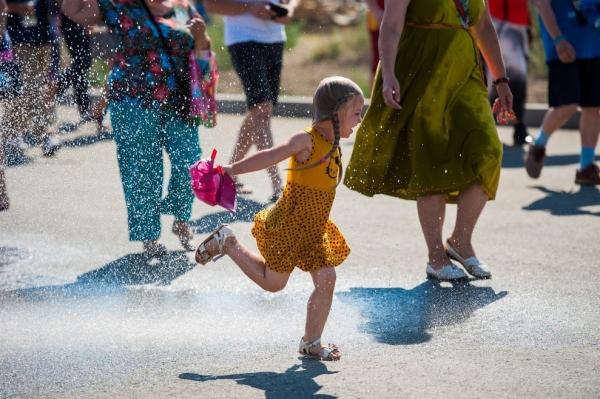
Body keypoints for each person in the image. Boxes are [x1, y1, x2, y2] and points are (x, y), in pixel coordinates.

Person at [194, 76, 364, 361]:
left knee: (326, 278)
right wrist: (231, 169)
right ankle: (228, 242)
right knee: (274, 284)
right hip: (290, 223)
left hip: (314, 228)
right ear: (337, 112)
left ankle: (311, 342)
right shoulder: (306, 139)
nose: (359, 119)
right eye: (356, 113)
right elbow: (270, 156)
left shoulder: (334, 143)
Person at [344, 0, 514, 281]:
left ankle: (460, 241)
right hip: (419, 68)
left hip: (464, 74)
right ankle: (435, 257)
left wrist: (501, 80)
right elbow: (391, 24)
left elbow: (483, 25)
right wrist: (388, 75)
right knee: (430, 158)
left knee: (488, 150)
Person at [62, 0, 212, 256]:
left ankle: (181, 218)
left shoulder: (181, 6)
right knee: (142, 171)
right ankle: (150, 238)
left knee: (190, 162)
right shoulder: (120, 5)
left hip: (179, 100)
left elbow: (202, 48)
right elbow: (72, 11)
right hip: (133, 102)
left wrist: (200, 36)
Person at [203, 0, 299, 202]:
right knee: (262, 109)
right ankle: (278, 185)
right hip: (242, 39)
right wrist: (250, 8)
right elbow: (211, 5)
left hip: (275, 39)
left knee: (260, 111)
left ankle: (229, 174)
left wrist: (290, 8)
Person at [524, 0, 600, 185]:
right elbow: (542, 5)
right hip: (563, 48)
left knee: (593, 106)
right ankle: (539, 144)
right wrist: (558, 39)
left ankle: (585, 167)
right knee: (567, 105)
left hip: (594, 45)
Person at [4, 0, 61, 160]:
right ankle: (45, 137)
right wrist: (15, 7)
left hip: (45, 37)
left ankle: (13, 133)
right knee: (31, 88)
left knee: (27, 92)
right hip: (19, 39)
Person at [488, 0, 532, 146]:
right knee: (491, 77)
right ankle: (486, 125)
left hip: (519, 23)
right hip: (494, 22)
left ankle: (519, 126)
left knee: (519, 76)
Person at [57, 11, 92, 123]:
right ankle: (56, 90)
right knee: (81, 64)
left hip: (80, 17)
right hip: (70, 18)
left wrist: (87, 20)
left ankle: (56, 89)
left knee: (83, 64)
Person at [364, 0, 384, 89]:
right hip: (378, 20)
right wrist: (376, 10)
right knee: (377, 64)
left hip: (400, 20)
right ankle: (373, 97)